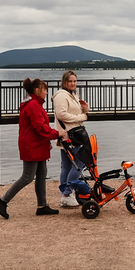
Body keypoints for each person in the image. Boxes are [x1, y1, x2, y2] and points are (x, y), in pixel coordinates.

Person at [0, 78, 61, 219]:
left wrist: (51, 135)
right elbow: (39, 127)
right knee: (27, 177)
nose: (47, 93)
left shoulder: (35, 104)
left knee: (42, 174)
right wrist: (56, 134)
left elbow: (41, 126)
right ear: (37, 90)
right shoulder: (33, 106)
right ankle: (2, 201)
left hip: (38, 145)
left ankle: (42, 206)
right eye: (45, 90)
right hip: (32, 146)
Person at [52, 70, 90, 207]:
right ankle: (67, 193)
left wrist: (85, 109)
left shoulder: (71, 94)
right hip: (69, 136)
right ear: (64, 82)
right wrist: (81, 117)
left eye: (74, 81)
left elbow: (74, 112)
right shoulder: (62, 96)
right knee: (79, 164)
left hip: (71, 135)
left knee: (67, 166)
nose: (73, 83)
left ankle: (65, 196)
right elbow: (62, 114)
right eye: (70, 81)